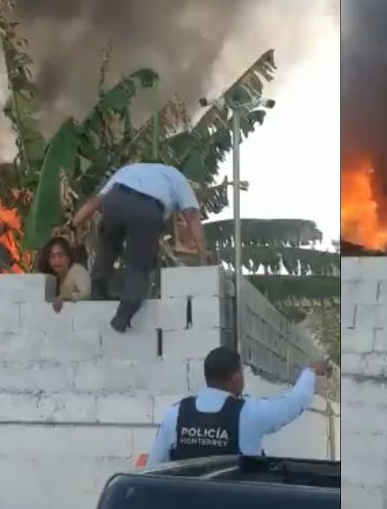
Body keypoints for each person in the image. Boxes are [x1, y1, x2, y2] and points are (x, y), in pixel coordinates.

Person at [67, 162, 210, 332]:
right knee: (140, 263)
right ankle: (124, 314)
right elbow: (191, 216)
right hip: (146, 210)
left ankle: (98, 289)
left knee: (109, 244)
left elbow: (95, 202)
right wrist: (203, 252)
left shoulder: (128, 170)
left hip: (115, 200)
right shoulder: (178, 178)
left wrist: (72, 225)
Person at [145, 346, 331, 466]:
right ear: (235, 378)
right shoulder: (248, 412)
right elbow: (292, 404)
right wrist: (310, 372)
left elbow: (153, 467)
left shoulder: (175, 413)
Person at [37, 237, 91, 312]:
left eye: (60, 255)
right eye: (52, 257)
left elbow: (86, 293)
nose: (57, 260)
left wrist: (65, 297)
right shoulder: (52, 277)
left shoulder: (77, 270)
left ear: (68, 258)